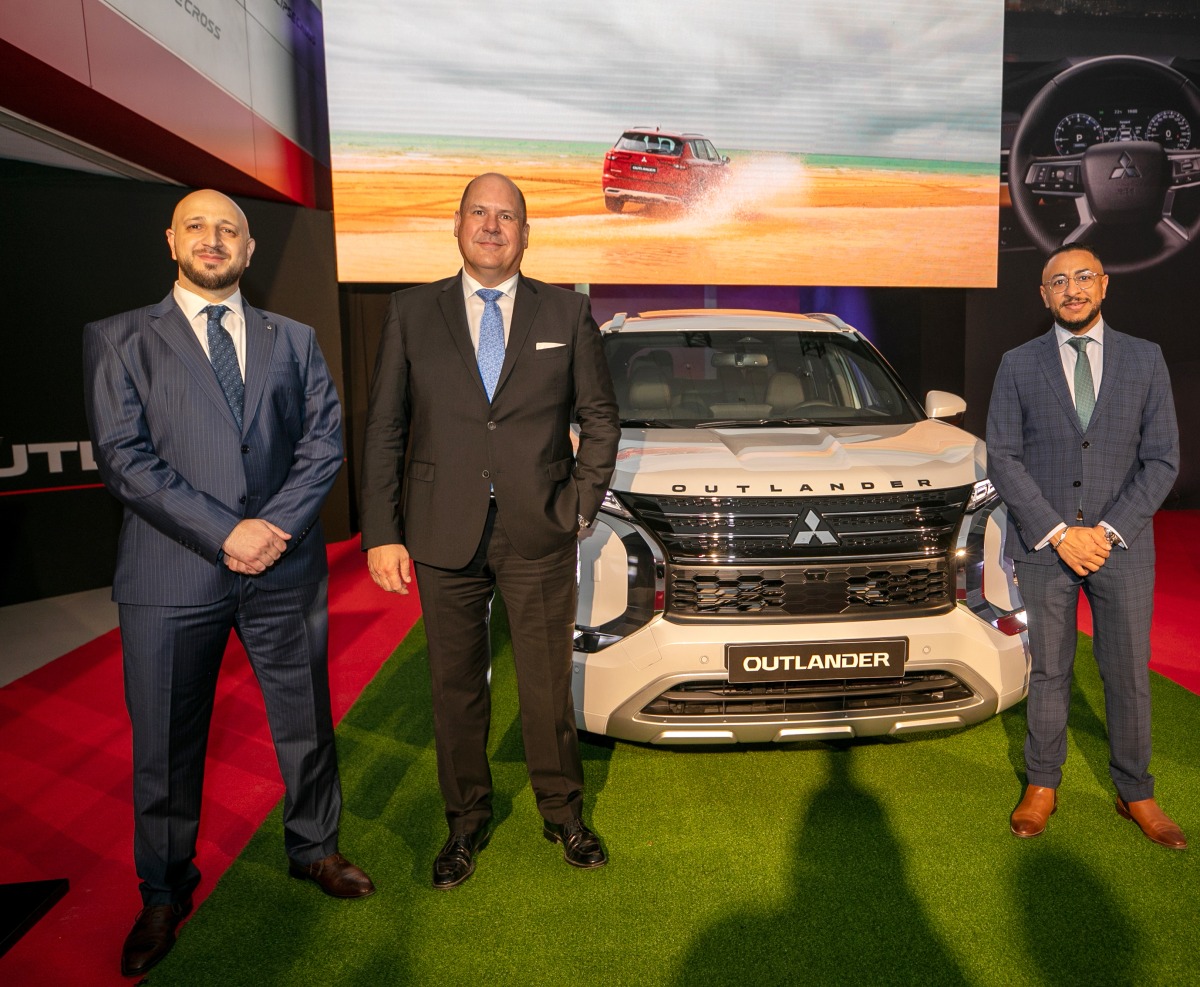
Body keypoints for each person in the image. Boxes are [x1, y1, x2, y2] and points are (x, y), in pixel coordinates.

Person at [83, 189, 374, 978]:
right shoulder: (118, 338)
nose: (212, 239)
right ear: (171, 241)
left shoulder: (295, 339)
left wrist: (271, 527)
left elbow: (323, 442)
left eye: (228, 229)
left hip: (284, 567)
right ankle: (164, 890)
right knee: (164, 744)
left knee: (306, 721)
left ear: (249, 249)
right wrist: (226, 531)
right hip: (170, 573)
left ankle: (315, 846)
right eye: (197, 227)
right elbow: (124, 459)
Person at [359, 173, 620, 888]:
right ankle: (465, 820)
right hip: (441, 529)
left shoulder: (567, 311)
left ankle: (563, 812)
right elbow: (385, 428)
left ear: (525, 234)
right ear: (457, 224)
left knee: (544, 687)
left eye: (507, 216)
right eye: (480, 211)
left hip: (541, 528)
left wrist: (580, 505)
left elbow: (601, 419)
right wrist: (381, 530)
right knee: (455, 687)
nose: (492, 225)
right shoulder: (410, 312)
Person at [986, 243, 1184, 849]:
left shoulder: (1146, 359)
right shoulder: (1017, 364)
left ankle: (1136, 790)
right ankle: (1042, 783)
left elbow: (1163, 460)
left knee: (1127, 672)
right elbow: (1004, 457)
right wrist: (1058, 532)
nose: (1071, 289)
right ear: (1043, 295)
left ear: (1103, 285)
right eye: (1058, 281)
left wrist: (1106, 532)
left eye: (1082, 278)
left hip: (1121, 545)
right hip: (1046, 545)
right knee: (1050, 670)